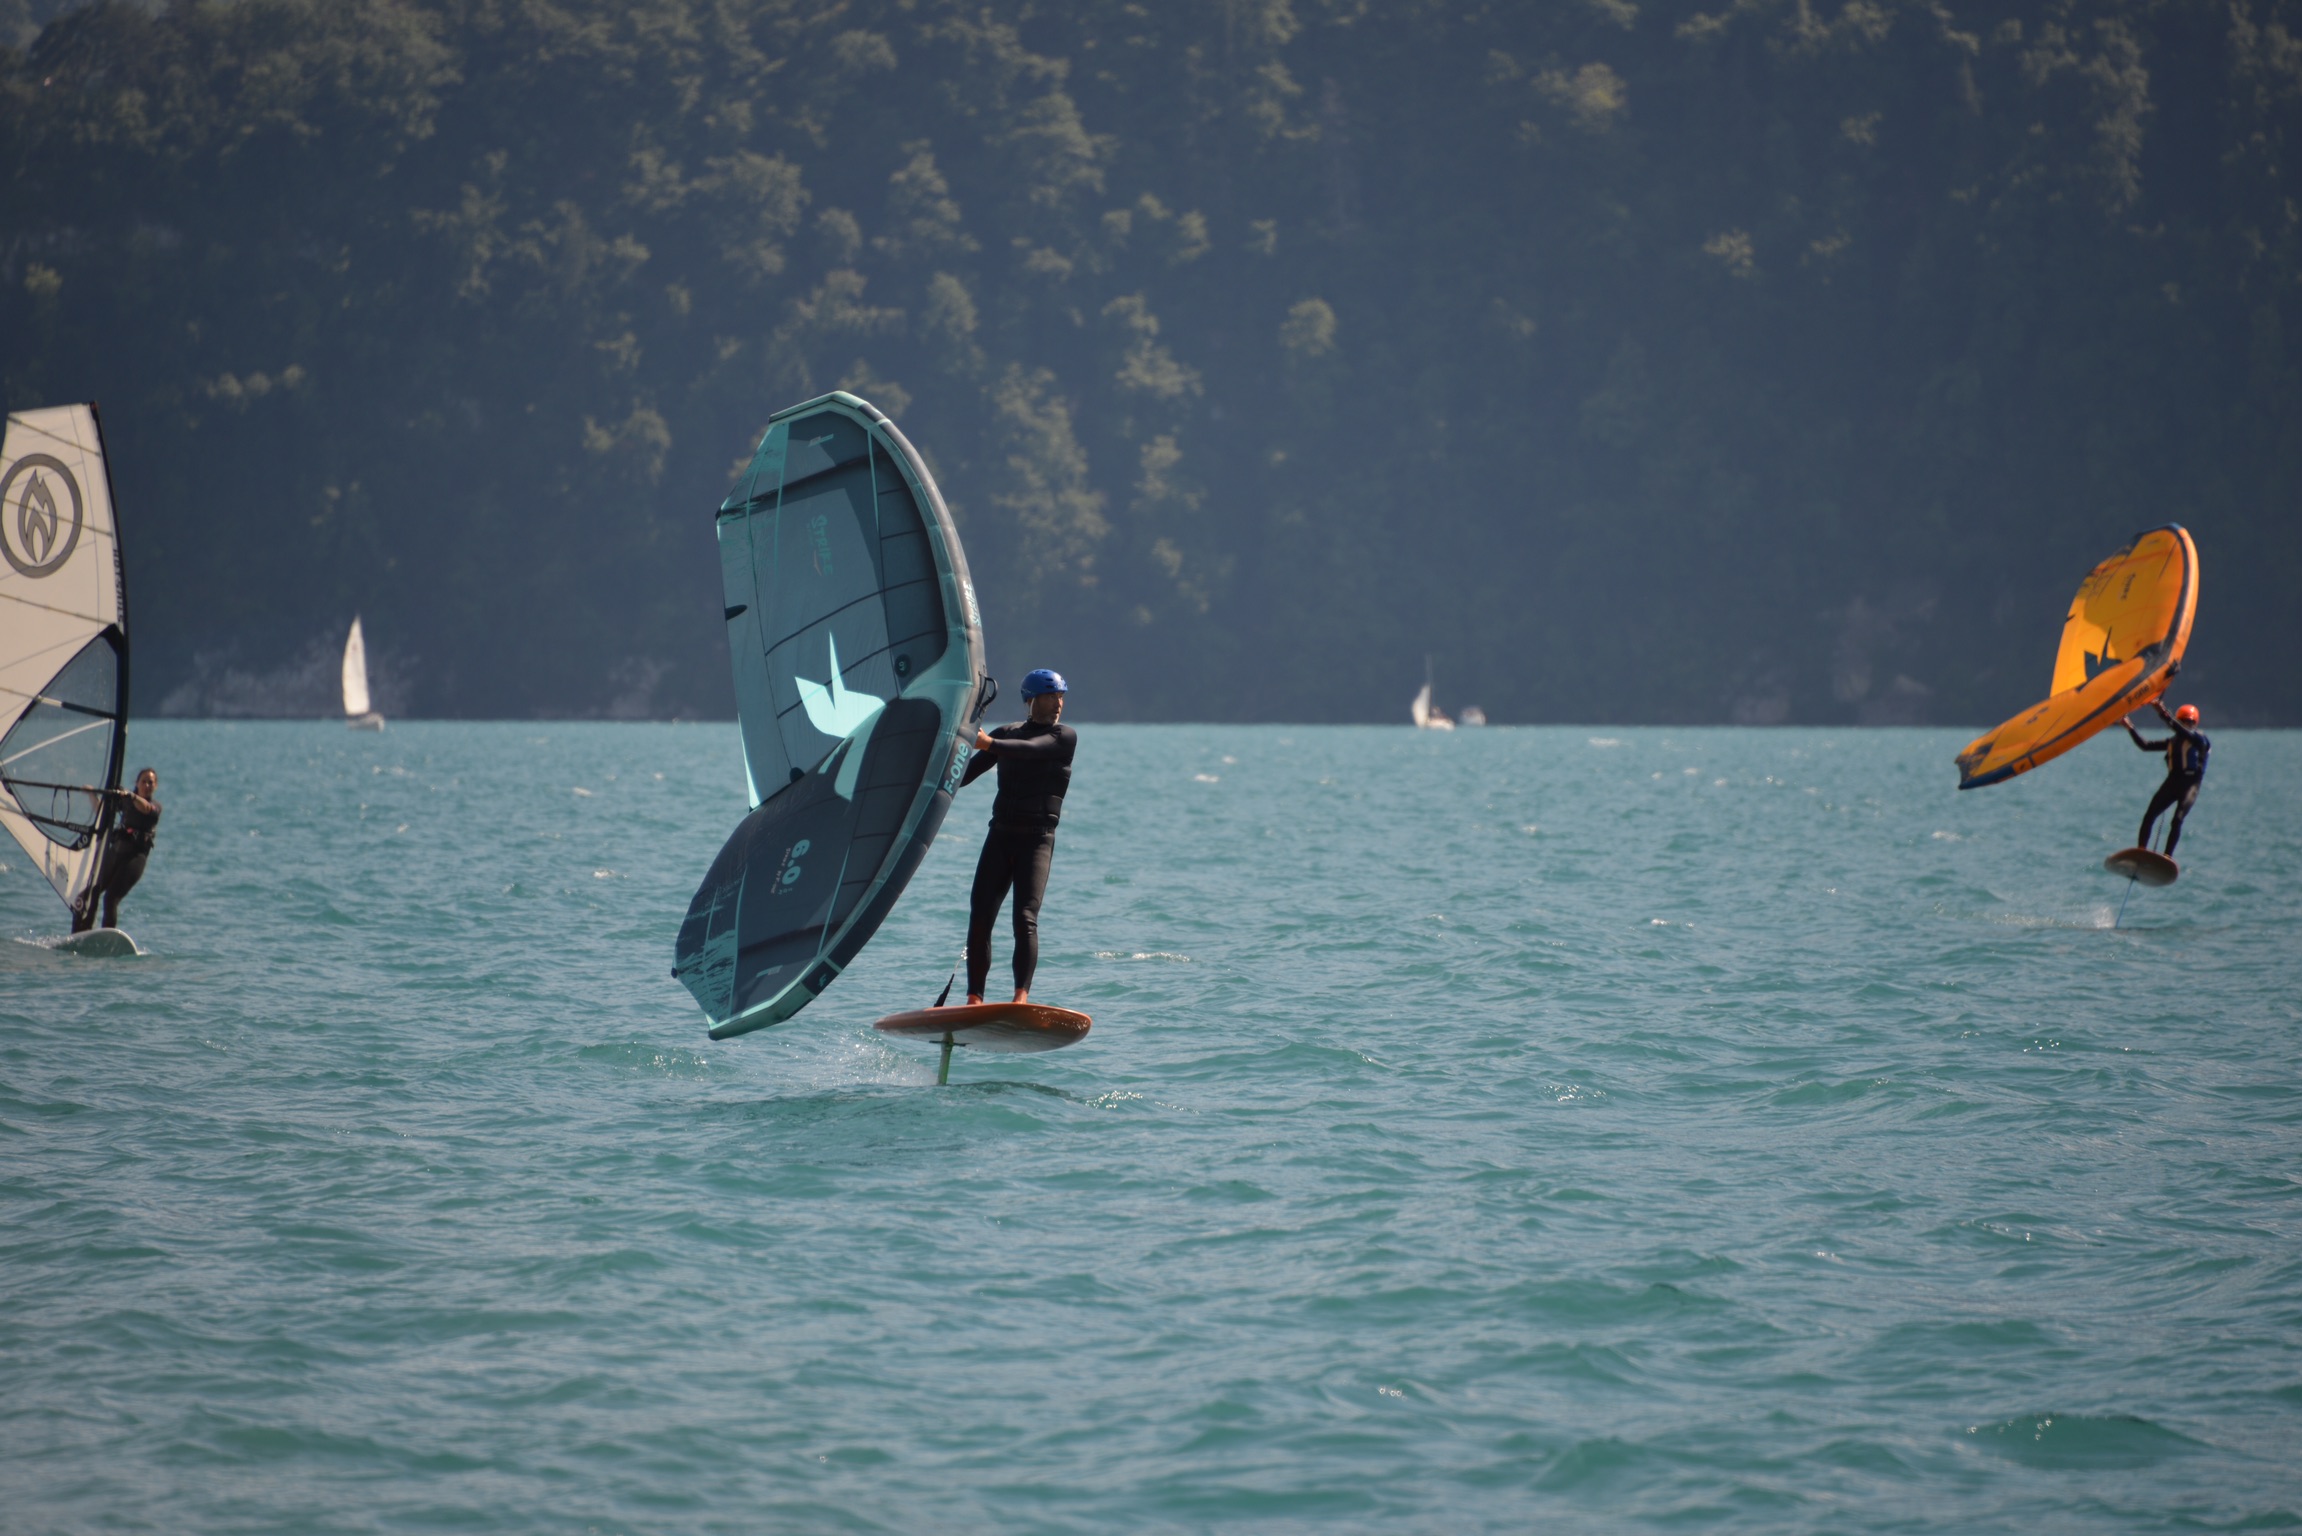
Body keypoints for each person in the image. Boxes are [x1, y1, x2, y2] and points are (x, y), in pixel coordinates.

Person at [959, 669, 1076, 1005]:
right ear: (1031, 700)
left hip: (1037, 840)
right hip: (1000, 836)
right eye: (1050, 696)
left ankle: (1020, 999)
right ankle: (974, 999)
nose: (1058, 703)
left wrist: (989, 743)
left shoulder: (1063, 737)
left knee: (1024, 918)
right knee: (980, 916)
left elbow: (1031, 750)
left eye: (1061, 696)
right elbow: (963, 775)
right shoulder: (1006, 733)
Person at [73, 766, 161, 933]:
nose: (147, 785)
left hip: (135, 859)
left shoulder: (154, 807)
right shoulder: (127, 801)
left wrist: (130, 795)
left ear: (155, 786)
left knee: (111, 898)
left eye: (151, 783)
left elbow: (144, 808)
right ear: (137, 783)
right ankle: (79, 932)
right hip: (116, 853)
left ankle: (107, 937)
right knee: (90, 892)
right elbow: (102, 812)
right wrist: (93, 794)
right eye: (144, 781)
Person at [2123, 699, 2209, 858]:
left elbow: (2181, 730)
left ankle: (2167, 856)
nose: (2185, 725)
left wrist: (2162, 712)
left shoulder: (2200, 741)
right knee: (2150, 815)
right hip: (2172, 783)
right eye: (2182, 721)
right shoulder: (2173, 742)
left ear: (2195, 723)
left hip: (2190, 786)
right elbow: (2145, 745)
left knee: (2177, 820)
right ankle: (2141, 851)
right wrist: (2129, 726)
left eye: (2189, 722)